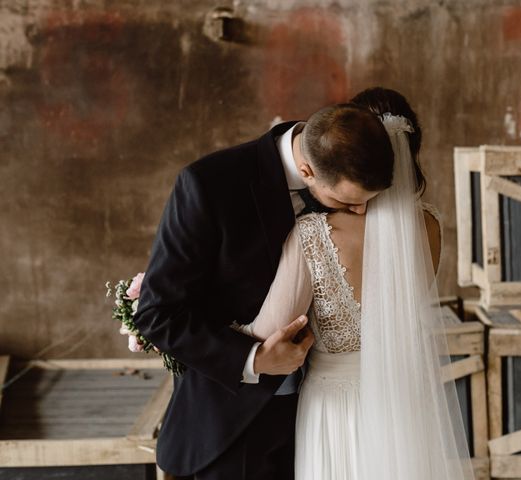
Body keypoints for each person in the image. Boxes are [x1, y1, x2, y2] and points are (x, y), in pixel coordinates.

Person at [131, 103, 394, 480]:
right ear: (306, 170)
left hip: (329, 419)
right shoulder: (208, 184)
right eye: (346, 201)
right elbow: (157, 314)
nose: (360, 212)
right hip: (234, 427)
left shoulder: (347, 153)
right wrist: (253, 359)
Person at [239, 87, 475, 479]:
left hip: (336, 407)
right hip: (405, 403)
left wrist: (180, 327)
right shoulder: (429, 226)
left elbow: (265, 336)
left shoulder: (311, 235)